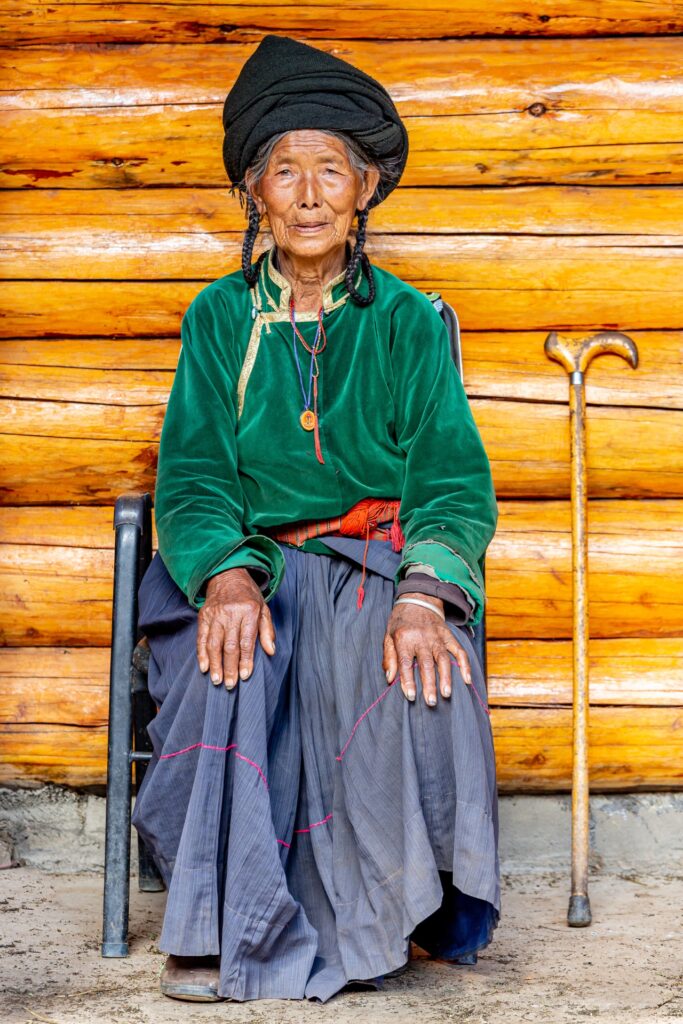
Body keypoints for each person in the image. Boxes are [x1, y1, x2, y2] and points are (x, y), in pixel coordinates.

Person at [131, 33, 500, 1004]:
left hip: (370, 565)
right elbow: (196, 471)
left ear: (364, 188)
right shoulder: (219, 318)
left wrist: (424, 592)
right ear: (254, 190)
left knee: (419, 666)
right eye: (282, 170)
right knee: (228, 657)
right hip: (245, 561)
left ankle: (402, 907)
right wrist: (225, 575)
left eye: (327, 170)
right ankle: (216, 923)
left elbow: (452, 481)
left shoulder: (407, 324)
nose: (305, 193)